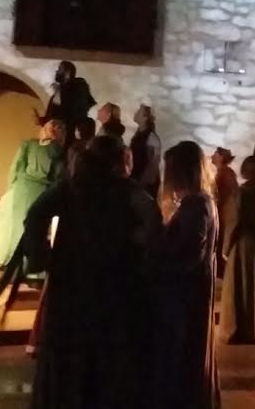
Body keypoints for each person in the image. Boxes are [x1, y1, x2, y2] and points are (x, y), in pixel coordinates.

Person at [24, 134, 155, 408]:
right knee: (106, 357)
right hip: (113, 285)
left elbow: (35, 214)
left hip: (72, 282)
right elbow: (153, 226)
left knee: (70, 353)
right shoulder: (127, 191)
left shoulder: (72, 188)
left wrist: (43, 258)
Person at [152, 141, 221, 409]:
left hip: (185, 293)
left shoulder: (196, 204)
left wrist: (157, 257)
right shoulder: (201, 202)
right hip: (191, 288)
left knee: (184, 351)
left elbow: (189, 252)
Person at [0, 120, 67, 267]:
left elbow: (17, 167)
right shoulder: (59, 151)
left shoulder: (29, 144)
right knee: (31, 228)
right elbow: (58, 175)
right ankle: (26, 264)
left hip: (22, 188)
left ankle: (6, 258)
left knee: (11, 224)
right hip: (42, 192)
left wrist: (11, 187)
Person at [219, 155, 255, 345]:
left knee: (239, 285)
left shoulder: (239, 194)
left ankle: (237, 330)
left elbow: (234, 221)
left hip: (242, 244)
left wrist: (226, 247)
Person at [40, 61, 96, 127]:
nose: (57, 71)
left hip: (67, 130)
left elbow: (68, 113)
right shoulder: (61, 90)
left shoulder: (78, 88)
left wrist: (58, 92)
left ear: (67, 73)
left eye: (60, 69)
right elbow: (55, 113)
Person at [211, 147, 238, 277]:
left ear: (221, 157)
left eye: (215, 154)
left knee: (221, 242)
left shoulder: (223, 174)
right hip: (227, 215)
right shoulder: (228, 173)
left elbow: (217, 196)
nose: (212, 156)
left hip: (224, 215)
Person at [130, 104, 162, 201]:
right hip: (137, 180)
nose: (136, 113)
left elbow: (153, 164)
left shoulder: (151, 137)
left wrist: (141, 184)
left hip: (145, 185)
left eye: (139, 112)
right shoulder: (139, 135)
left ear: (145, 118)